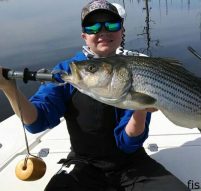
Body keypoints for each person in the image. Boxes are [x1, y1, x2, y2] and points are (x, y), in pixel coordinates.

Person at [0, 0, 189, 190]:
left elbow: (129, 143)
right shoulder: (68, 71)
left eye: (112, 24)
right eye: (93, 26)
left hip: (133, 164)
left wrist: (140, 109)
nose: (103, 31)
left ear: (122, 31)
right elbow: (36, 122)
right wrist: (9, 89)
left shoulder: (136, 71)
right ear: (84, 36)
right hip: (85, 164)